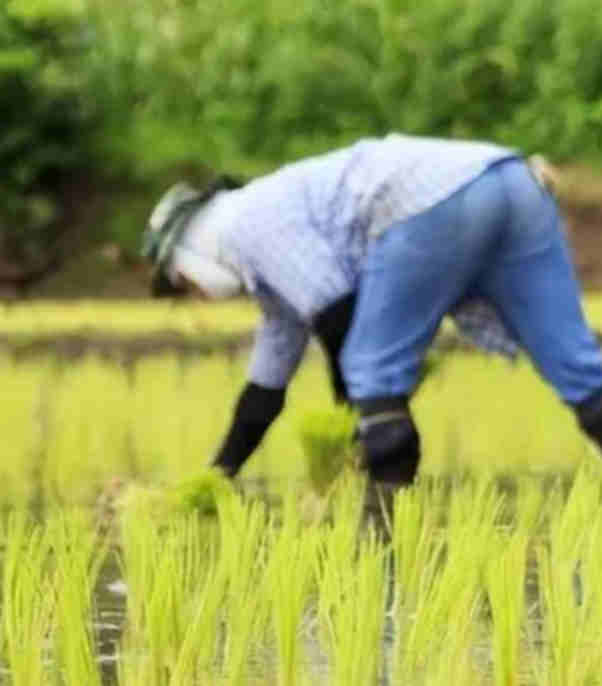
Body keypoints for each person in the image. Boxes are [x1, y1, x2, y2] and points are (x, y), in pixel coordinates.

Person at [141, 133, 602, 485]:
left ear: (189, 249)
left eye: (183, 283)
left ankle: (383, 527)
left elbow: (340, 316)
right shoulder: (269, 271)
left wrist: (358, 424)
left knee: (373, 373)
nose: (193, 295)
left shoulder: (246, 225)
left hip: (434, 200)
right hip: (511, 181)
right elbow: (266, 388)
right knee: (580, 367)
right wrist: (220, 473)